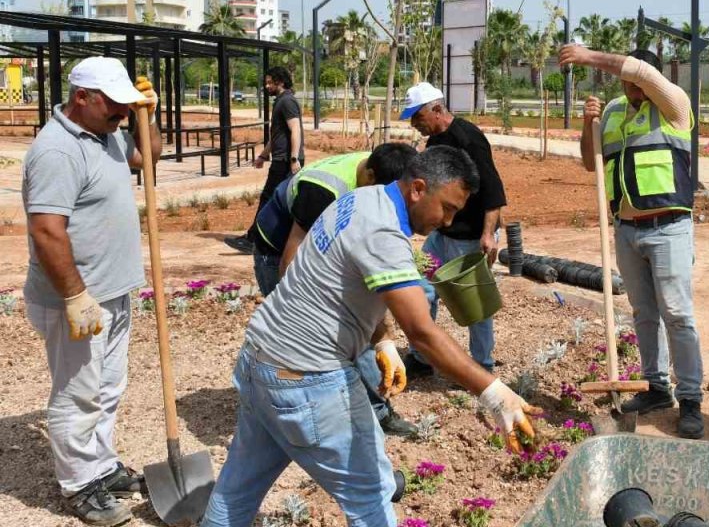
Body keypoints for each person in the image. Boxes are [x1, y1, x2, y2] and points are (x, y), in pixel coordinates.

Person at [201, 147, 539, 527]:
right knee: (371, 496)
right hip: (307, 379)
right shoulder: (383, 231)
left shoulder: (361, 199)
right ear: (417, 188)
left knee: (237, 490)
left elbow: (342, 282)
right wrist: (493, 392)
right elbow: (422, 333)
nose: (447, 221)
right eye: (447, 208)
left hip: (261, 359)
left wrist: (380, 340)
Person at [23, 57, 159, 526]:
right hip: (75, 297)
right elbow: (46, 230)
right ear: (82, 97)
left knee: (106, 387)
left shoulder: (108, 136)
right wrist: (76, 296)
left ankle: (100, 466)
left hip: (112, 289)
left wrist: (148, 117)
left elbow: (150, 157)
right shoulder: (58, 151)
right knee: (79, 393)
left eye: (127, 111)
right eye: (116, 109)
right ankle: (80, 484)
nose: (122, 117)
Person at [560, 43, 706, 440]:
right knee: (644, 313)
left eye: (638, 82)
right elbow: (593, 163)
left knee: (677, 313)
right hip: (626, 230)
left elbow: (643, 74)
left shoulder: (674, 106)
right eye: (627, 84)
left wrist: (588, 56)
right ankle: (656, 387)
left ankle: (690, 397)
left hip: (669, 227)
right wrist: (586, 127)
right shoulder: (613, 112)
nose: (632, 90)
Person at [248, 143, 420, 437]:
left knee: (357, 327)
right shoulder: (324, 191)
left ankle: (375, 412)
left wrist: (382, 339)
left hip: (323, 249)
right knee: (299, 337)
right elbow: (290, 266)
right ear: (369, 173)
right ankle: (288, 410)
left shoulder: (376, 175)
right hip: (277, 250)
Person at [398, 82, 506, 376]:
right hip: (441, 235)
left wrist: (488, 233)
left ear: (435, 109)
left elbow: (493, 189)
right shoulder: (434, 144)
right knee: (422, 290)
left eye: (417, 117)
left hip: (469, 237)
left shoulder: (469, 139)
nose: (414, 124)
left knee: (473, 305)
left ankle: (482, 365)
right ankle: (422, 358)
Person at [225, 66, 303, 254]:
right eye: (266, 82)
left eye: (270, 82)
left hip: (285, 161)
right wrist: (263, 155)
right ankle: (273, 240)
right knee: (279, 201)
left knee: (269, 199)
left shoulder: (287, 102)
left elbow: (296, 130)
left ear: (280, 82)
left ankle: (254, 240)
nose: (266, 86)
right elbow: (277, 136)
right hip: (280, 159)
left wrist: (293, 159)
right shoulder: (281, 101)